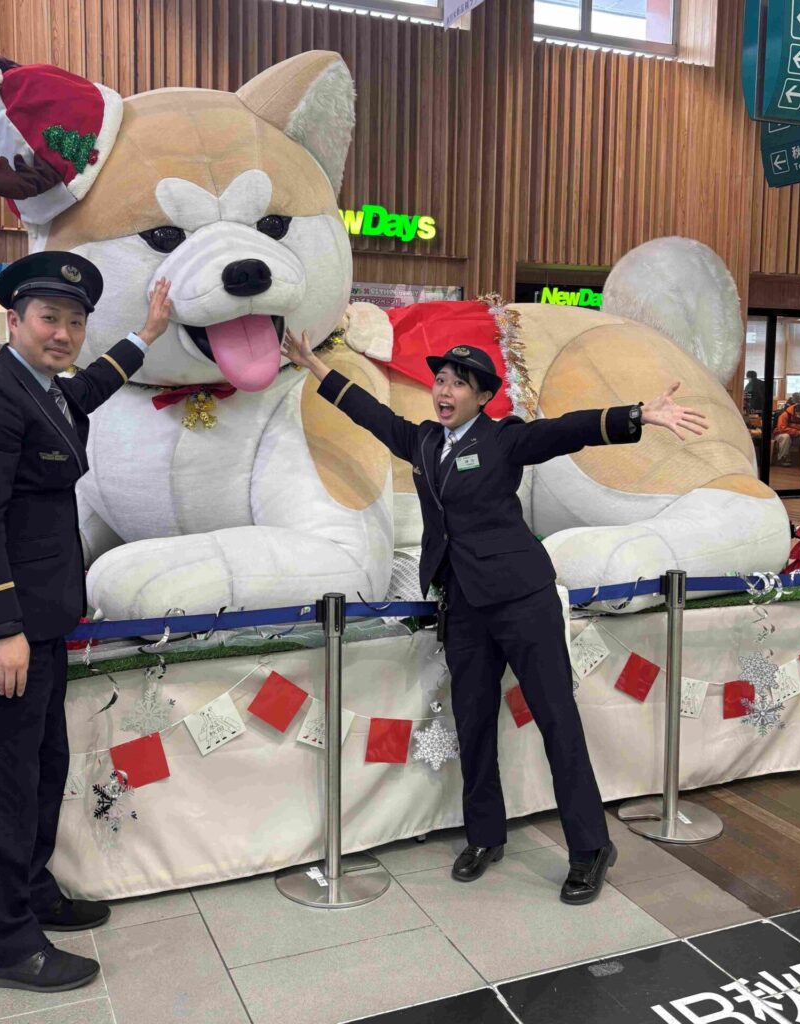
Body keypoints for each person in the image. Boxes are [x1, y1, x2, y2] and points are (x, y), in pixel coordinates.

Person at [281, 328, 707, 903]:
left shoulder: (504, 439)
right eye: (440, 379)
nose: (444, 389)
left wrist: (636, 414)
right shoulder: (425, 441)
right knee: (474, 723)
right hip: (463, 605)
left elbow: (564, 431)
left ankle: (590, 848)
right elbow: (368, 412)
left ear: (483, 397)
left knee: (557, 719)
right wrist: (312, 363)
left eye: (459, 383)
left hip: (522, 600)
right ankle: (485, 835)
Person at [0, 253, 173, 992]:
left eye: (75, 321)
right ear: (15, 321)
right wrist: (2, 628)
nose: (63, 333)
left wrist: (147, 332)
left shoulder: (48, 392)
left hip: (43, 623)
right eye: (49, 318)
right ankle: (6, 945)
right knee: (3, 784)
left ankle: (32, 893)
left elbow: (90, 388)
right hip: (3, 631)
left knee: (41, 768)